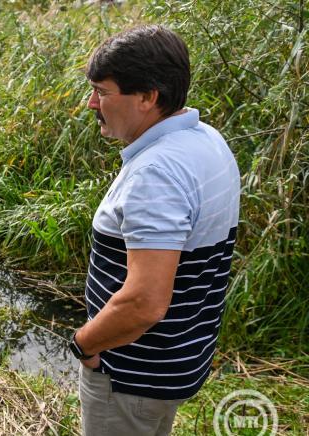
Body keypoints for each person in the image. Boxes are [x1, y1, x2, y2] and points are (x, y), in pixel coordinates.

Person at [67, 25, 240, 435]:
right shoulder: (205, 140)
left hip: (132, 376)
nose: (91, 103)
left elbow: (145, 302)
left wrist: (85, 343)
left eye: (103, 92)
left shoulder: (157, 173)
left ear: (148, 97)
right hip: (176, 362)